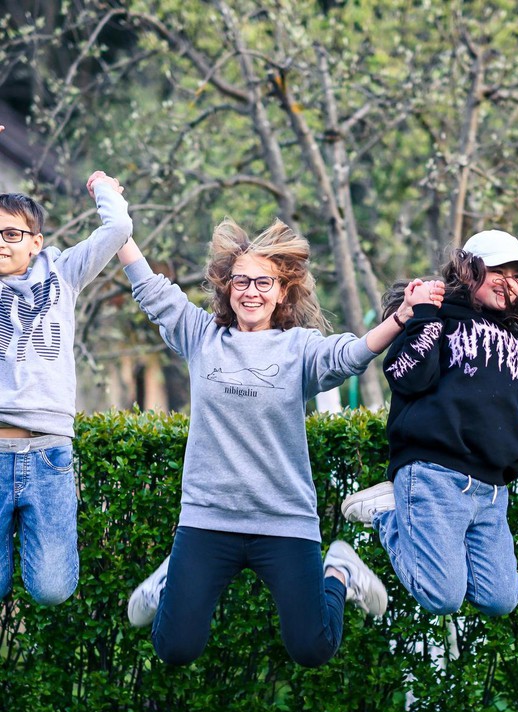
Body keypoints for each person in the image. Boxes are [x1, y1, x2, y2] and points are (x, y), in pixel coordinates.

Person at [120, 219, 432, 667]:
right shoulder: (201, 336)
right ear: (227, 289)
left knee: (313, 647)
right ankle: (174, 579)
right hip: (210, 519)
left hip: (283, 521)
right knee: (174, 648)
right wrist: (115, 217)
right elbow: (150, 288)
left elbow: (350, 355)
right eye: (241, 281)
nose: (251, 291)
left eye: (263, 282)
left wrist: (401, 318)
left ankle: (338, 569)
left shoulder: (299, 349)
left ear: (282, 292)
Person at [341, 230, 518, 616]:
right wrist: (424, 317)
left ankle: (411, 525)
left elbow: (510, 424)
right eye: (498, 271)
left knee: (501, 598)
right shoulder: (438, 319)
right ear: (468, 271)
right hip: (434, 475)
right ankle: (387, 514)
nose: (510, 283)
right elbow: (406, 376)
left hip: (490, 493)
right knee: (443, 596)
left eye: (517, 275)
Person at [0, 171, 132, 604]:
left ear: (35, 241)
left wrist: (104, 191)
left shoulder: (63, 271)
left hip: (49, 452)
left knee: (53, 589)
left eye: (12, 233)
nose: (2, 242)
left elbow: (116, 230)